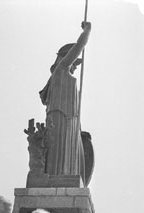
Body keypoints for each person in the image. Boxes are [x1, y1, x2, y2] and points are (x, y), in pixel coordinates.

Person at [39, 22, 92, 184]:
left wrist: (80, 130)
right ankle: (57, 179)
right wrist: (87, 31)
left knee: (69, 157)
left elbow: (75, 108)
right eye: (74, 63)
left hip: (70, 120)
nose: (75, 67)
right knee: (60, 157)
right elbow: (79, 46)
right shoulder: (61, 69)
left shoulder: (65, 75)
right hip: (60, 117)